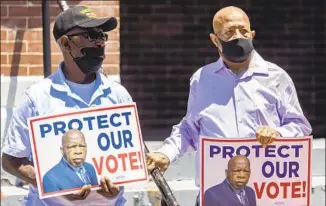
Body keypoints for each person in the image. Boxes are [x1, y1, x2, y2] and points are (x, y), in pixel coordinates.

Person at [146, 6, 312, 206]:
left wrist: (277, 134)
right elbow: (190, 129)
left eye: (243, 31)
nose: (238, 37)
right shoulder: (202, 79)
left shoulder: (276, 77)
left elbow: (301, 127)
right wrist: (166, 153)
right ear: (215, 40)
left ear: (252, 34)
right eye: (229, 32)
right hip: (215, 196)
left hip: (265, 195)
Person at [2, 5, 132, 206]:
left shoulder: (118, 95)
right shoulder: (37, 97)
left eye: (102, 35)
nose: (99, 41)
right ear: (65, 43)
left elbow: (129, 160)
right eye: (90, 35)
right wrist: (54, 185)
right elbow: (11, 160)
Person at [43, 129, 98, 193]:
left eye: (82, 146)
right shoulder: (50, 178)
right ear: (62, 150)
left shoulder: (90, 168)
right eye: (72, 147)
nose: (78, 151)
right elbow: (55, 203)